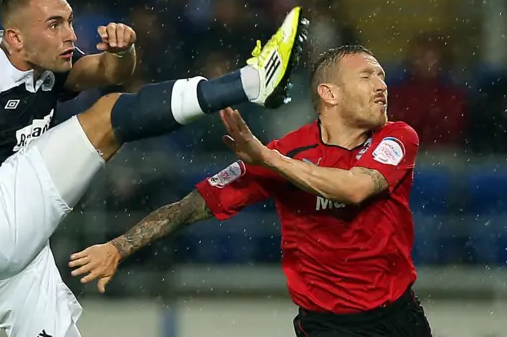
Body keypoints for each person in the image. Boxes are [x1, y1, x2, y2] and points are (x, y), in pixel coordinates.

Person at [0, 0, 308, 336]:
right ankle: (250, 81)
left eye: (70, 21)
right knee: (106, 118)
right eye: (54, 24)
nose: (70, 36)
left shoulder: (46, 64)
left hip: (10, 257)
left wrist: (124, 50)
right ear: (15, 39)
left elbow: (110, 72)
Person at [70, 45, 433, 337]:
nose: (381, 85)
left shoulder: (397, 137)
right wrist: (119, 247)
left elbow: (355, 188)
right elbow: (191, 206)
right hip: (327, 326)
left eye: (381, 76)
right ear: (329, 93)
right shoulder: (286, 152)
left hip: (399, 317)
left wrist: (267, 159)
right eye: (367, 75)